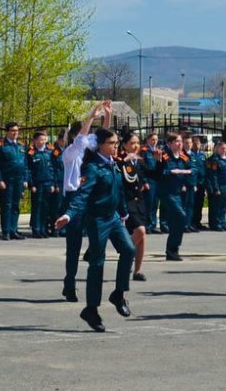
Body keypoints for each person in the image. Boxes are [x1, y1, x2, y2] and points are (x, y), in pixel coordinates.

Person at [54, 128, 135, 333]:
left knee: (128, 250)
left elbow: (118, 191)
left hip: (114, 217)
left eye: (116, 143)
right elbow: (82, 195)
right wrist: (69, 214)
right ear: (100, 145)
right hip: (97, 219)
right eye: (112, 143)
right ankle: (91, 309)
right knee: (97, 263)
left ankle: (119, 294)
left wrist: (124, 213)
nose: (116, 146)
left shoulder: (113, 164)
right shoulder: (92, 168)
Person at [59, 101, 108, 301]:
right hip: (74, 199)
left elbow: (103, 137)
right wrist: (91, 117)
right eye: (83, 133)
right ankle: (69, 283)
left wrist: (107, 116)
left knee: (101, 232)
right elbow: (81, 140)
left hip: (90, 197)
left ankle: (91, 251)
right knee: (74, 245)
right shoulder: (70, 153)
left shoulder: (91, 151)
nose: (88, 137)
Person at [157, 132, 193, 261]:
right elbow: (158, 172)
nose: (180, 144)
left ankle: (172, 250)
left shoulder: (184, 157)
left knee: (176, 222)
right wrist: (171, 172)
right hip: (167, 192)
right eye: (177, 141)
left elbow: (193, 169)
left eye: (180, 141)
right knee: (181, 216)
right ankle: (172, 248)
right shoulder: (164, 156)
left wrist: (186, 174)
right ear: (169, 143)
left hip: (178, 193)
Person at [118, 131, 149, 281]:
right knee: (140, 231)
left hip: (139, 202)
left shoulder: (139, 160)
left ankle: (137, 271)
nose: (136, 146)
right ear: (124, 145)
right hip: (127, 202)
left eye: (137, 143)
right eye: (132, 143)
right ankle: (126, 255)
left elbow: (153, 174)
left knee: (142, 237)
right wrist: (125, 160)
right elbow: (118, 175)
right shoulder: (120, 160)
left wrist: (160, 162)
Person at [0, 122, 27, 240]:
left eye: (17, 130)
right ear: (7, 131)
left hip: (19, 179)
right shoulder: (1, 146)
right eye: (12, 130)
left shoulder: (21, 146)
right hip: (7, 179)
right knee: (6, 205)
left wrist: (25, 179)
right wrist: (0, 180)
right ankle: (6, 231)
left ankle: (14, 229)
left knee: (15, 205)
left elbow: (25, 164)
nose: (15, 133)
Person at [27, 132, 56, 238]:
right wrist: (31, 184)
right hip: (37, 184)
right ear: (35, 140)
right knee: (37, 207)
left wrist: (53, 184)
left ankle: (43, 229)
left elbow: (52, 169)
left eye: (44, 139)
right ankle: (36, 229)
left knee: (45, 207)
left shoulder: (49, 152)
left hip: (48, 182)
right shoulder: (31, 153)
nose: (43, 142)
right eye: (41, 139)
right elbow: (29, 170)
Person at [205, 140, 226, 232]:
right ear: (217, 149)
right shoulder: (215, 160)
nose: (224, 150)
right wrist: (216, 188)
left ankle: (223, 222)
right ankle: (216, 223)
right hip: (219, 186)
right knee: (216, 207)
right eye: (222, 148)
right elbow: (213, 175)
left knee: (223, 206)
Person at [142, 133, 162, 233]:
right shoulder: (144, 151)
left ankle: (153, 225)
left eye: (156, 139)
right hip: (149, 180)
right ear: (148, 140)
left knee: (155, 204)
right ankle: (147, 225)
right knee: (148, 204)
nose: (154, 141)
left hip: (156, 181)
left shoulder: (158, 151)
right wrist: (144, 181)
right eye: (153, 139)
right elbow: (142, 167)